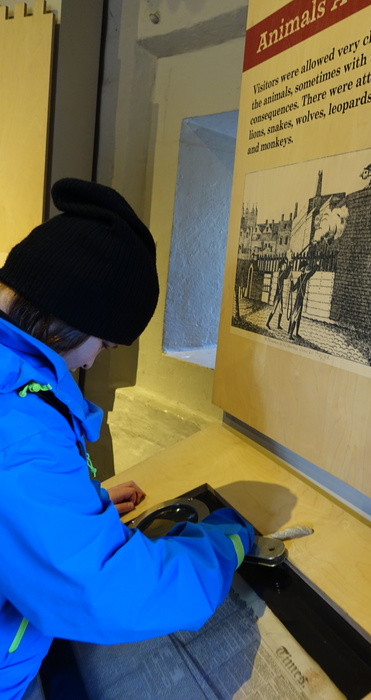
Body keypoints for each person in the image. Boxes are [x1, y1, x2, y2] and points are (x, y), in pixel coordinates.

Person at [0, 178, 255, 700]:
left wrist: (74, 508)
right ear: (72, 316)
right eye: (104, 343)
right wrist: (228, 542)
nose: (93, 361)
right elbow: (105, 590)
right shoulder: (22, 429)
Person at [266, 251, 292, 330]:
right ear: (281, 267)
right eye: (283, 265)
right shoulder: (281, 274)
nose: (284, 266)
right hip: (278, 295)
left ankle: (278, 325)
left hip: (280, 295)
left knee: (281, 311)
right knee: (274, 310)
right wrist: (290, 265)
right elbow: (286, 275)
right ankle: (267, 323)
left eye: (285, 265)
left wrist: (289, 265)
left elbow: (286, 275)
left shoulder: (281, 273)